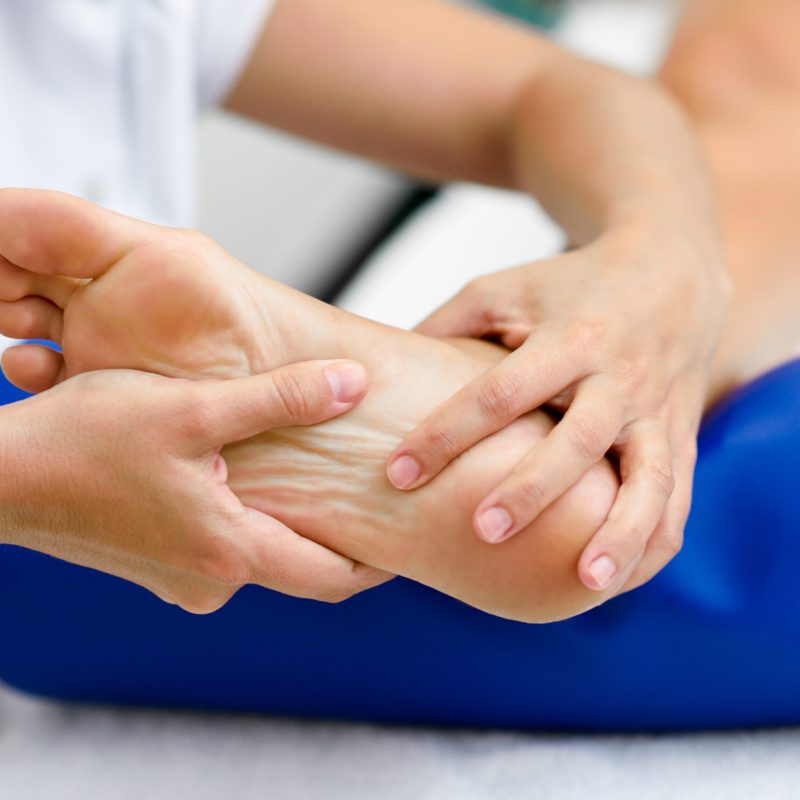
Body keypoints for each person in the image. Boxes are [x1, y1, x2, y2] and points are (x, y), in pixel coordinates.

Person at [2, 0, 799, 730]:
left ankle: (511, 391)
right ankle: (496, 406)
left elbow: (546, 91)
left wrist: (663, 254)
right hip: (65, 484)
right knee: (652, 535)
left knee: (719, 137)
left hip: (87, 462)